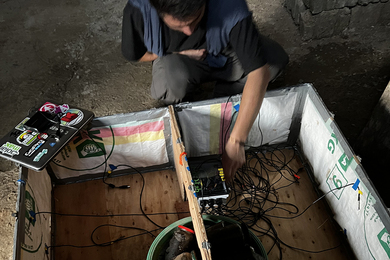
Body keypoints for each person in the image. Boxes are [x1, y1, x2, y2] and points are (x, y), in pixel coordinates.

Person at [121, 0, 289, 181]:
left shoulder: (229, 6)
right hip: (179, 58)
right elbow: (137, 54)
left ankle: (226, 96)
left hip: (225, 50)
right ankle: (194, 98)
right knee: (171, 85)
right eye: (179, 26)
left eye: (194, 21)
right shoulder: (140, 10)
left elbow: (258, 72)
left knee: (273, 62)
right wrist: (180, 53)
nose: (189, 31)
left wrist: (236, 140)